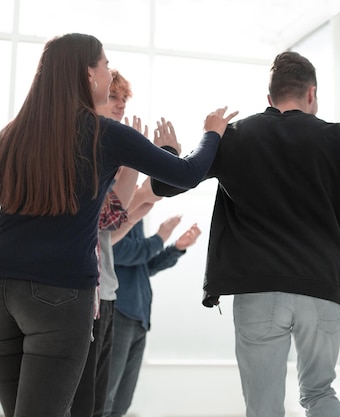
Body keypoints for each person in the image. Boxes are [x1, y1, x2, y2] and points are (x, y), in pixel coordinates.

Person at [152, 51, 340, 417]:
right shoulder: (336, 138)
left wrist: (172, 150)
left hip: (258, 289)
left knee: (263, 407)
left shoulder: (234, 136)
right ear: (311, 94)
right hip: (321, 288)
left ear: (268, 98)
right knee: (319, 394)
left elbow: (165, 185)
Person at [0, 33, 236, 417]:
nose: (110, 75)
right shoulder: (102, 133)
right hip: (58, 294)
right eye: (106, 65)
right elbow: (187, 173)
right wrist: (212, 131)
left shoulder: (10, 135)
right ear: (89, 74)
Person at [71, 68, 144, 417]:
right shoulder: (87, 150)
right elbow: (112, 216)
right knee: (88, 402)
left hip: (106, 293)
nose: (118, 105)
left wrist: (143, 202)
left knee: (98, 402)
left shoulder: (109, 151)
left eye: (123, 99)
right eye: (112, 97)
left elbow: (109, 231)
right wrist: (135, 166)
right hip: (85, 293)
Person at [103, 181, 201, 417]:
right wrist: (159, 238)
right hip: (118, 312)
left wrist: (175, 248)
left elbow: (143, 266)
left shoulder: (129, 205)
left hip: (138, 318)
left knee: (121, 404)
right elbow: (113, 249)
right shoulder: (109, 195)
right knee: (105, 401)